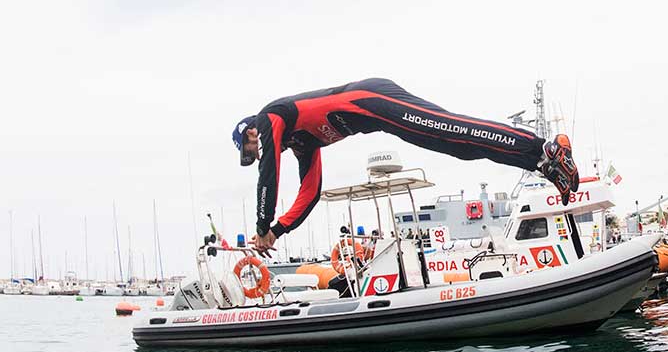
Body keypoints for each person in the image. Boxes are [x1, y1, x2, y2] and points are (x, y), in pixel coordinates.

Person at [232, 77, 579, 254]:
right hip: (382, 118)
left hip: (371, 98)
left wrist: (262, 225)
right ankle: (542, 163)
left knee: (450, 127)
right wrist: (277, 231)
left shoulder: (269, 117)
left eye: (251, 148)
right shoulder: (304, 141)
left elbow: (269, 176)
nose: (258, 152)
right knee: (456, 146)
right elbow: (309, 193)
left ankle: (545, 146)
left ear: (250, 130)